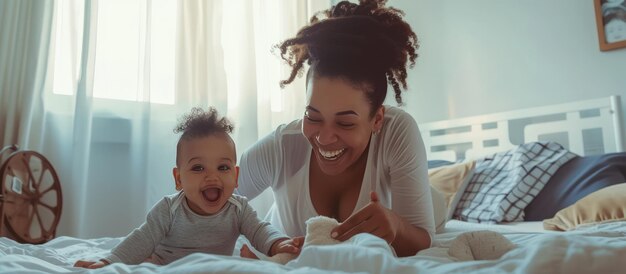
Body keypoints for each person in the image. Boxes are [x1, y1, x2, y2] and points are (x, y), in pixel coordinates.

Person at [237, 0, 435, 257]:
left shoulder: (396, 132)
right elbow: (196, 202)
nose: (324, 137)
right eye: (313, 116)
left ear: (377, 119)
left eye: (345, 123)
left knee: (438, 201)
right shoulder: (282, 146)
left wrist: (396, 226)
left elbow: (422, 237)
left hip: (425, 202)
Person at [74, 107, 302, 269]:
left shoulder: (238, 208)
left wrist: (278, 243)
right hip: (168, 265)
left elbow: (259, 230)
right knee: (147, 265)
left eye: (223, 167)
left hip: (212, 267)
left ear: (236, 175)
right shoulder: (168, 209)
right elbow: (141, 239)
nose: (212, 177)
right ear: (178, 179)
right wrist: (108, 262)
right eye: (198, 168)